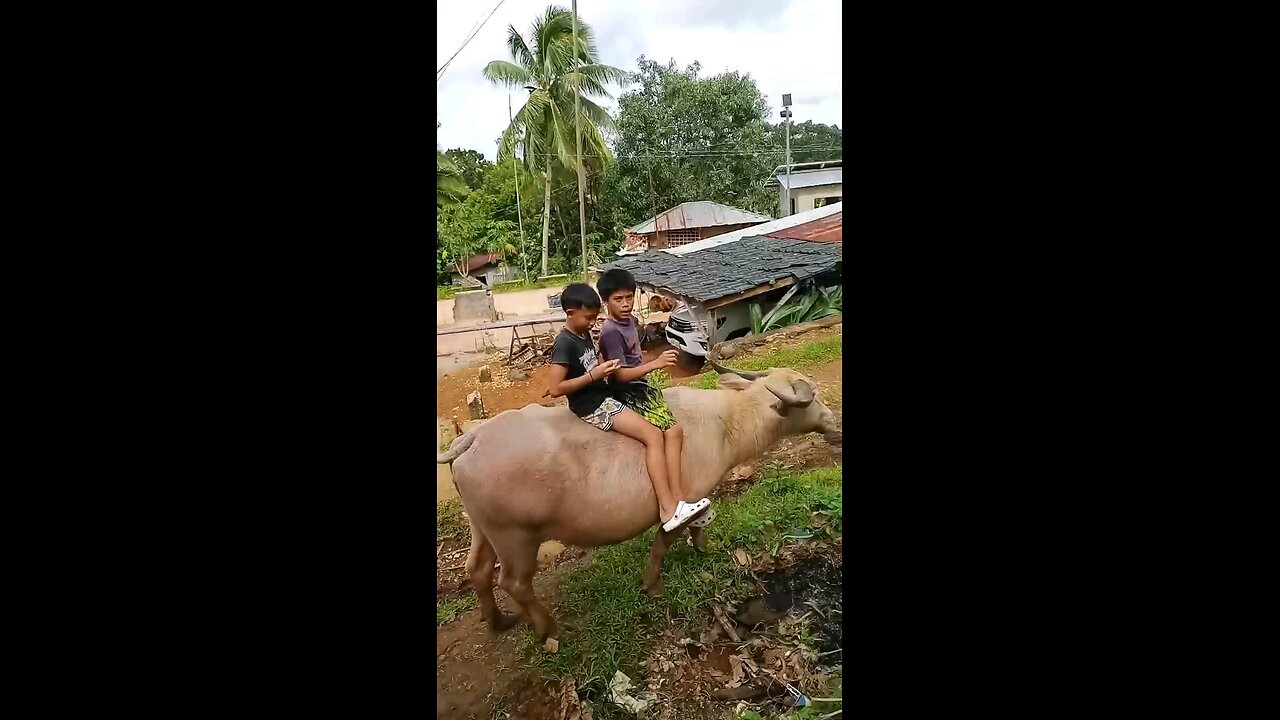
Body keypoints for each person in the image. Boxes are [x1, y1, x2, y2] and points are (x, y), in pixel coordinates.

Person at [548, 283, 710, 533]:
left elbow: (587, 366)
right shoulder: (564, 343)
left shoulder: (582, 334)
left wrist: (602, 369)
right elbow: (556, 388)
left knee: (661, 431)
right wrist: (594, 375)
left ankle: (676, 501)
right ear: (570, 313)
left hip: (602, 394)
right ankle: (667, 509)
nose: (592, 323)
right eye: (588, 318)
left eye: (594, 317)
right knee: (653, 436)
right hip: (592, 405)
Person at [595, 269, 711, 531]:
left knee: (674, 432)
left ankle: (678, 500)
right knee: (671, 432)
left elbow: (632, 359)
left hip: (642, 385)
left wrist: (647, 363)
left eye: (629, 297)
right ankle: (672, 502)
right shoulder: (611, 332)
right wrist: (655, 364)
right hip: (629, 390)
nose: (625, 304)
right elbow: (619, 375)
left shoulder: (629, 322)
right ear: (606, 301)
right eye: (618, 299)